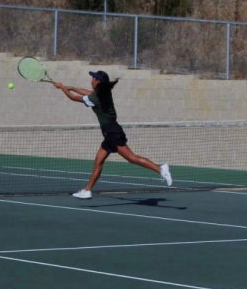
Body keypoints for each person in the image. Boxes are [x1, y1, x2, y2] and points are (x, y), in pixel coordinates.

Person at [54, 71, 172, 199]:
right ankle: (87, 190)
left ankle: (161, 169)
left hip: (112, 133)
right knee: (98, 161)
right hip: (110, 133)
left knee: (132, 158)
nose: (91, 79)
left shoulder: (96, 98)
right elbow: (87, 92)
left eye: (93, 77)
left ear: (97, 81)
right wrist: (71, 87)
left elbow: (73, 98)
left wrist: (62, 89)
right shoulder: (103, 92)